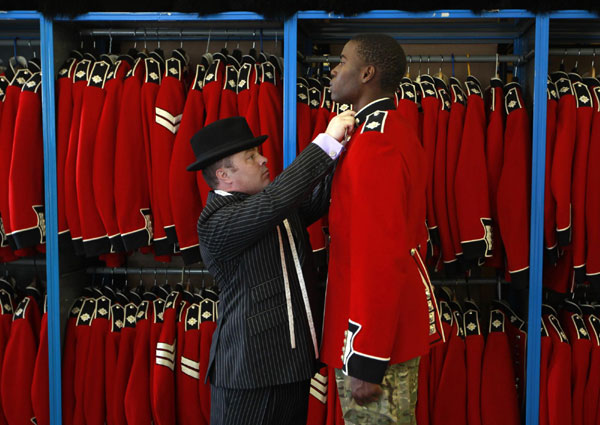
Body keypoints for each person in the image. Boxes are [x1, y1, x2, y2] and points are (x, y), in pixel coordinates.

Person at [189, 113, 355, 425]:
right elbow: (276, 201)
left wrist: (342, 151)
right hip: (250, 373)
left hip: (292, 366)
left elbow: (312, 199)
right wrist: (327, 143)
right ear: (224, 175)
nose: (264, 160)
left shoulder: (264, 204)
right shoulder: (215, 222)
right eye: (251, 157)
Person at [320, 34, 445, 424]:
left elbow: (379, 256)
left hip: (374, 341)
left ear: (368, 72)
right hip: (370, 329)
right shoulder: (373, 132)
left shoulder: (377, 142)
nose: (334, 69)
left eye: (342, 61)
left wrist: (367, 356)